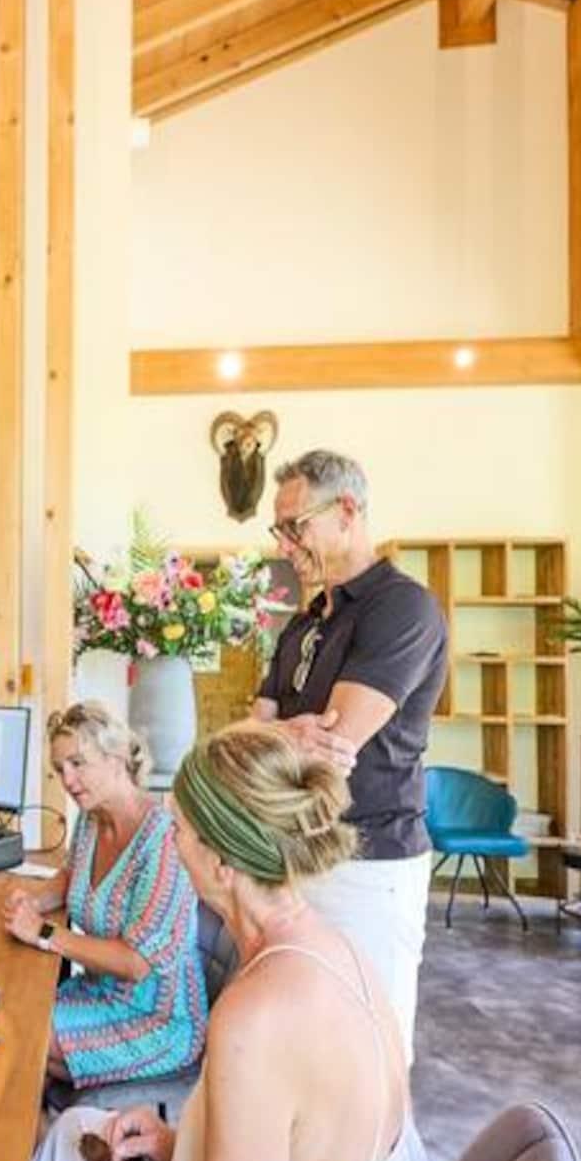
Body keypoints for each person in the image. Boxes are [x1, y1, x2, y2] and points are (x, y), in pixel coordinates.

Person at [9, 722, 439, 1161]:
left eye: (178, 830)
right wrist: (179, 1147)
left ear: (221, 862)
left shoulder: (254, 1021)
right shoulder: (341, 950)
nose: (168, 842)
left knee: (63, 1159)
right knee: (79, 1131)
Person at [252, 449, 446, 1061]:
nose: (285, 544)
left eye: (294, 526)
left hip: (369, 863)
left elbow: (333, 747)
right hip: (297, 855)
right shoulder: (304, 623)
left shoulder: (403, 608)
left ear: (346, 511)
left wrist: (273, 737)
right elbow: (251, 736)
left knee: (367, 1051)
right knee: (302, 1047)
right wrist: (282, 736)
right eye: (279, 530)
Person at [2, 703, 206, 1090]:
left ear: (116, 758)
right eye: (60, 769)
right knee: (9, 1013)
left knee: (17, 1033)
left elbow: (136, 963)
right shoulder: (91, 818)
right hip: (98, 991)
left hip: (156, 1018)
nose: (68, 779)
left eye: (78, 763)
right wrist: (33, 902)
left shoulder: (164, 839)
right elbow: (70, 877)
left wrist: (43, 932)